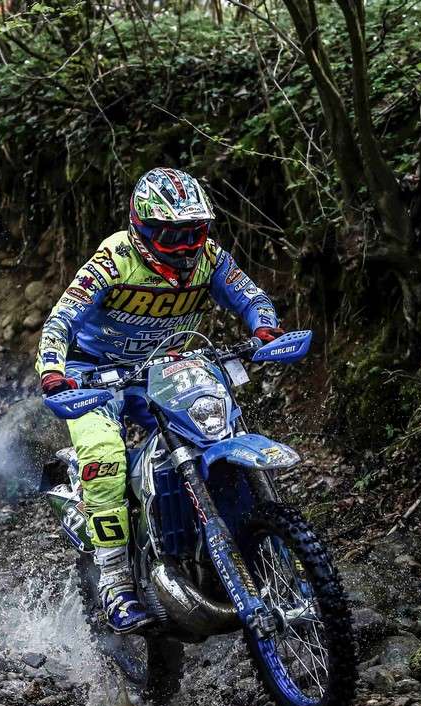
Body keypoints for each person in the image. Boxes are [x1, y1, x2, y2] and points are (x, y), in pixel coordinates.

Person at [36, 168, 285, 633]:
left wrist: (264, 327)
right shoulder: (114, 259)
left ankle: (227, 545)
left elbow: (251, 296)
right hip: (93, 373)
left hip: (165, 368)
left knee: (213, 432)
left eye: (194, 231)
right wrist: (52, 370)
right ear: (142, 228)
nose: (186, 246)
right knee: (105, 457)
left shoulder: (210, 258)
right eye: (172, 235)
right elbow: (61, 319)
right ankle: (115, 581)